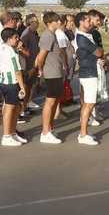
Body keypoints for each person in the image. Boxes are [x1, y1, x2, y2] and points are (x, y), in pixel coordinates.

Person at [34, 11, 66, 143]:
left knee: (55, 101)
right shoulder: (48, 36)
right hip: (51, 73)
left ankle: (50, 129)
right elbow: (41, 56)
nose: (59, 22)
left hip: (56, 72)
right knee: (50, 101)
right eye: (56, 20)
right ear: (49, 23)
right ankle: (45, 132)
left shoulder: (52, 35)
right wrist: (40, 69)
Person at [74, 12, 102, 145]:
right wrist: (98, 51)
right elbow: (99, 52)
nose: (90, 23)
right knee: (89, 104)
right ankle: (83, 134)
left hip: (90, 72)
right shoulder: (81, 38)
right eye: (88, 21)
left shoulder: (86, 36)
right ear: (81, 22)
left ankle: (84, 132)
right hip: (88, 74)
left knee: (88, 103)